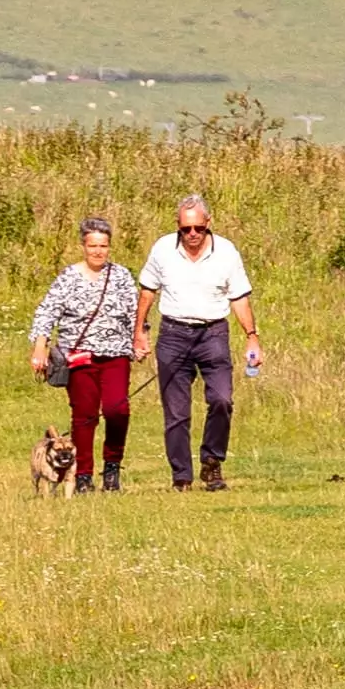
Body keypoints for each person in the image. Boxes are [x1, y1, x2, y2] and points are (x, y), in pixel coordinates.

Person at [140, 181, 257, 490]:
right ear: (178, 227)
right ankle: (181, 477)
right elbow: (148, 291)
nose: (192, 235)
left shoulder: (227, 252)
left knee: (222, 400)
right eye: (185, 229)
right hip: (173, 334)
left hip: (212, 334)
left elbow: (239, 298)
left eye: (197, 229)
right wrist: (140, 331)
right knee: (176, 412)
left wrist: (252, 336)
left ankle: (212, 461)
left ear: (208, 224)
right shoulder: (163, 249)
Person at [27, 210, 138, 489]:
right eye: (93, 245)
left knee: (117, 409)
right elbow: (46, 312)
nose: (98, 251)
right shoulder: (68, 278)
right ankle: (83, 474)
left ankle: (112, 467)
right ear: (83, 246)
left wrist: (141, 339)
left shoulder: (121, 276)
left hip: (116, 354)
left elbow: (136, 314)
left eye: (103, 245)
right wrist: (40, 348)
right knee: (84, 415)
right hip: (79, 357)